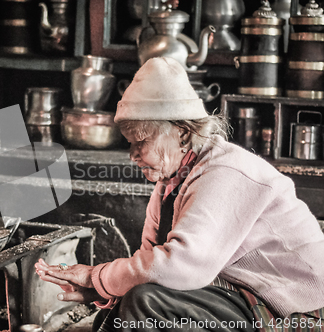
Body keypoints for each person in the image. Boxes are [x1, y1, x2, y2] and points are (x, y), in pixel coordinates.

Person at [35, 57, 324, 331]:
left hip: (293, 305)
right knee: (122, 309)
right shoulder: (172, 181)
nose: (133, 154)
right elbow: (150, 265)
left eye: (141, 141)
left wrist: (96, 276)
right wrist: (100, 290)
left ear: (183, 134)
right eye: (129, 143)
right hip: (241, 291)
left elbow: (178, 267)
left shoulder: (226, 171)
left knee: (145, 302)